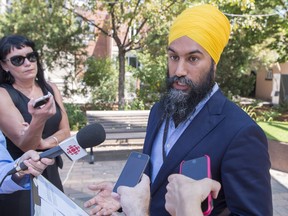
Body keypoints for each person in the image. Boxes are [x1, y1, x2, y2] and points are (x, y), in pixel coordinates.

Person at [84, 4, 272, 215]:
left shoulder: (241, 133)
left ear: (214, 64)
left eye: (193, 59)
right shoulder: (159, 110)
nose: (179, 70)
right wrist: (122, 195)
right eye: (174, 57)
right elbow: (153, 181)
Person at [0, 34, 70, 215]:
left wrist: (46, 144)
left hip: (50, 169)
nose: (27, 63)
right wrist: (39, 120)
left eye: (31, 57)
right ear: (4, 65)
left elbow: (66, 130)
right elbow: (26, 145)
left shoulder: (51, 88)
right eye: (17, 59)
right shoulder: (3, 95)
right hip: (20, 175)